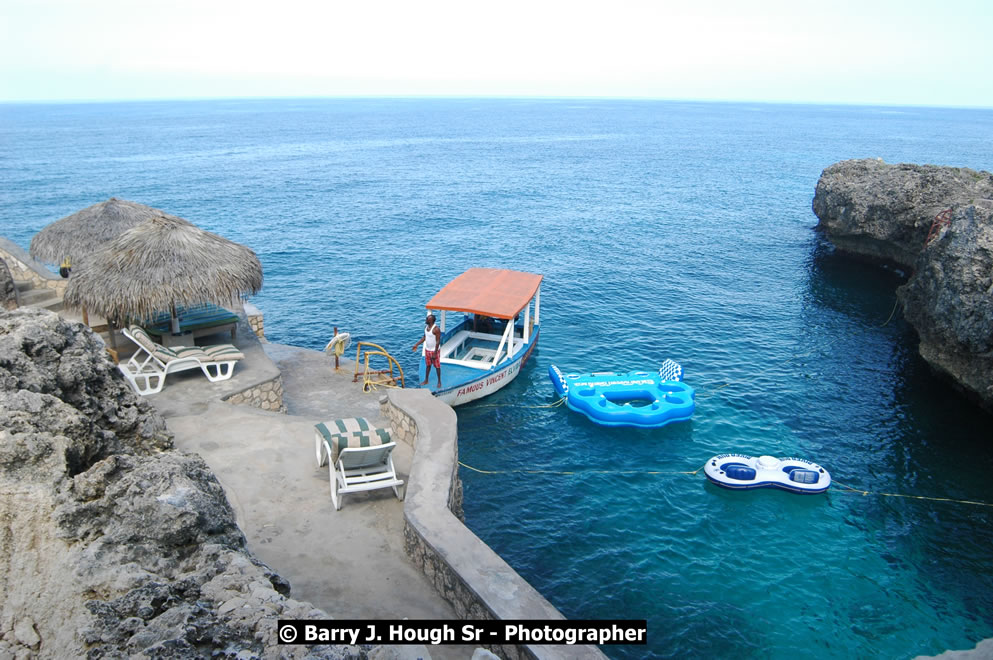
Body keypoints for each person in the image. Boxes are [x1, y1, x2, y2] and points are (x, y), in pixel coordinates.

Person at [412, 313, 442, 388]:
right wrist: (417, 344)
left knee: (437, 366)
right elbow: (424, 337)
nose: (426, 320)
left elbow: (438, 341)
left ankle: (439, 381)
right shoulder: (426, 327)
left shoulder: (436, 329)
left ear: (431, 321)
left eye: (427, 319)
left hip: (434, 351)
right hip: (427, 350)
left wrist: (435, 353)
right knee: (428, 365)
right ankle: (426, 380)